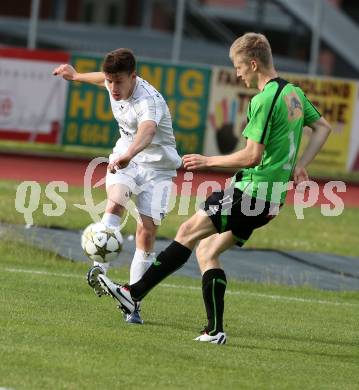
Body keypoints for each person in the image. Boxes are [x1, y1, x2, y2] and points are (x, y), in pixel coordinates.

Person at [96, 33, 332, 343]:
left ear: (253, 63)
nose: (237, 74)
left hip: (252, 191)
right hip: (272, 201)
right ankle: (215, 329)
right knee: (207, 250)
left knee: (187, 232)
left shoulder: (263, 99)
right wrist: (301, 164)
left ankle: (132, 292)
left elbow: (252, 155)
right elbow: (323, 128)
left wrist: (209, 160)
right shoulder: (294, 94)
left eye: (238, 67)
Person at [53, 49, 182, 324]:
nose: (112, 87)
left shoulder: (149, 101)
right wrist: (75, 76)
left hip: (157, 168)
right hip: (126, 157)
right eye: (110, 81)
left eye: (118, 82)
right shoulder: (112, 82)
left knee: (146, 233)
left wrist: (129, 154)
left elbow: (147, 132)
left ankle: (132, 301)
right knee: (116, 201)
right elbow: (101, 77)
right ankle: (100, 267)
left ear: (133, 77)